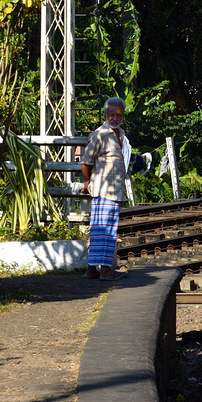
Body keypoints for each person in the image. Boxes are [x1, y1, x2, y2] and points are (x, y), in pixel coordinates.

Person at [79, 97, 134, 280]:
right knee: (105, 230)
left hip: (114, 190)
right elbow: (86, 162)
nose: (115, 118)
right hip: (103, 189)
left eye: (118, 115)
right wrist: (88, 182)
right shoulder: (100, 135)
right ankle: (105, 270)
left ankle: (91, 269)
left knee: (101, 230)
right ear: (105, 115)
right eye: (111, 115)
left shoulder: (120, 134)